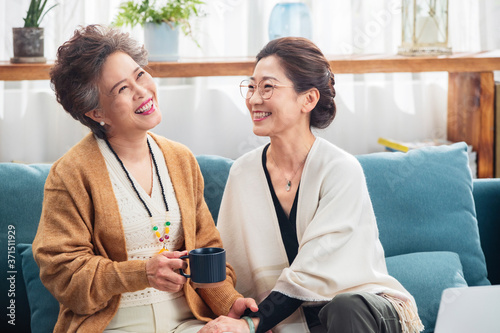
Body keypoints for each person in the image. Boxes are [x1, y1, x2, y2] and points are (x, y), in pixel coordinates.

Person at [32, 24, 257, 333]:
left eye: (139, 75)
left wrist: (229, 303)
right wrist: (142, 272)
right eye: (122, 89)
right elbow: (64, 276)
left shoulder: (181, 160)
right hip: (112, 325)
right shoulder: (71, 174)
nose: (142, 91)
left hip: (188, 323)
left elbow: (206, 251)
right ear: (96, 112)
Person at [204, 37, 425, 333]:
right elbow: (232, 263)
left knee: (345, 307)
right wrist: (242, 312)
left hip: (362, 311)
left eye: (268, 87)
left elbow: (316, 266)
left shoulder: (340, 169)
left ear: (308, 99)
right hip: (290, 319)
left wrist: (253, 323)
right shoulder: (243, 172)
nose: (255, 98)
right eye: (252, 86)